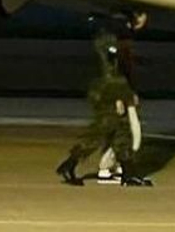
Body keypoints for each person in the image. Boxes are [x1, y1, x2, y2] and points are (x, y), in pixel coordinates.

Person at [56, 33, 147, 186]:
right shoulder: (109, 45)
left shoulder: (106, 43)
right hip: (109, 92)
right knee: (103, 131)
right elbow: (111, 71)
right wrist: (122, 95)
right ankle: (69, 165)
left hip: (106, 90)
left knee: (120, 133)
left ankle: (128, 173)